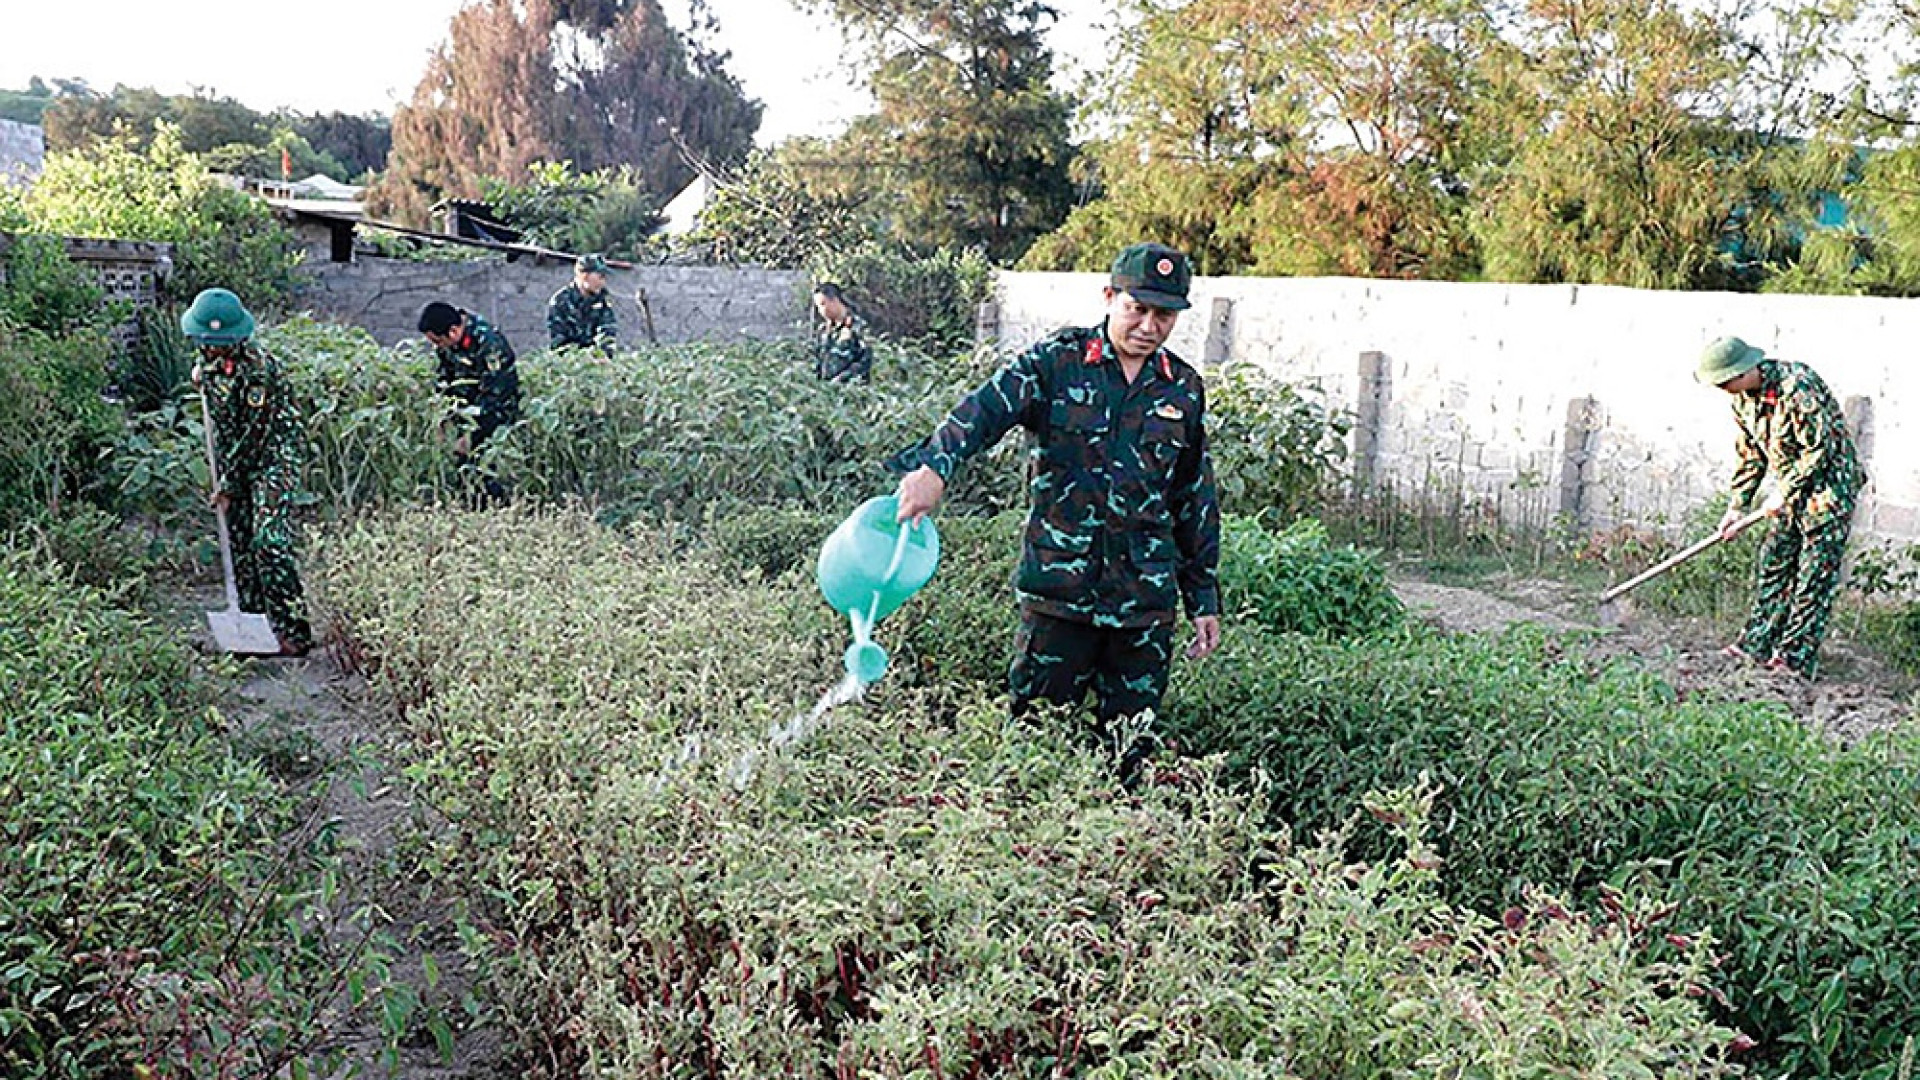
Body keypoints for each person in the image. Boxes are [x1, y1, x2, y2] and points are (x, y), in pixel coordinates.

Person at [888, 242, 1221, 780]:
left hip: (1143, 605)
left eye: (1164, 315)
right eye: (1138, 308)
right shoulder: (1057, 363)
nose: (1149, 325)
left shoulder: (1181, 388)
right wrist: (935, 467)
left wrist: (1203, 595)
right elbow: (982, 412)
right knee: (1031, 750)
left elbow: (1192, 496)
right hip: (1059, 597)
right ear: (1110, 296)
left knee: (1128, 757)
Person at [1696, 336, 1865, 678]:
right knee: (1775, 563)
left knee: (1813, 576)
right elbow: (1751, 455)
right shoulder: (1743, 401)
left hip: (1828, 489)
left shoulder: (1796, 386)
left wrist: (1783, 491)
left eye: (1725, 381)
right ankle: (1755, 645)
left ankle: (1793, 660)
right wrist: (1737, 506)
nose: (1723, 389)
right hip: (1793, 490)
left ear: (1744, 370)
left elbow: (1820, 449)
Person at [184, 287, 313, 657]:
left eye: (214, 345)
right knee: (239, 542)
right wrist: (202, 375)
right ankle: (255, 625)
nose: (206, 349)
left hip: (271, 455)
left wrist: (227, 483)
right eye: (204, 343)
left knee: (269, 542)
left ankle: (294, 631)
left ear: (233, 340)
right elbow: (209, 376)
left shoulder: (259, 370)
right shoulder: (208, 353)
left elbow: (253, 437)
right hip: (233, 457)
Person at [419, 301, 520, 498]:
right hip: (467, 411)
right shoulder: (446, 344)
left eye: (437, 342)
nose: (437, 347)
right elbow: (444, 381)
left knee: (485, 466)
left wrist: (470, 436)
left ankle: (497, 507)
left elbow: (495, 396)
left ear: (454, 331)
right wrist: (441, 418)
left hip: (496, 412)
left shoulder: (489, 343)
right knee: (462, 467)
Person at [548, 253, 619, 356]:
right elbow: (559, 344)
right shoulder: (560, 301)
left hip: (597, 360)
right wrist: (584, 358)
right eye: (600, 277)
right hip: (568, 362)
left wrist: (603, 355)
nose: (603, 282)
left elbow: (607, 332)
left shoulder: (602, 299)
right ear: (584, 275)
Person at [811, 282, 872, 382]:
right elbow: (816, 359)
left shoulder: (858, 326)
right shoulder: (823, 330)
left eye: (822, 304)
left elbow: (866, 362)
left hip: (851, 390)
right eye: (818, 307)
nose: (820, 311)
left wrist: (841, 380)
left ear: (835, 300)